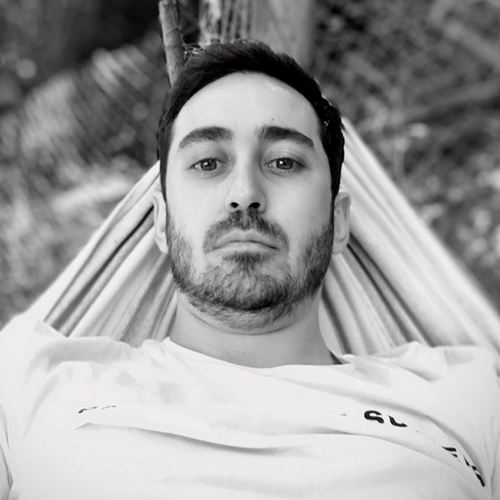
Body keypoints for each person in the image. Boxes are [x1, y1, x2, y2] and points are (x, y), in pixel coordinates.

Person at [0, 40, 499, 499]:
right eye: (208, 163)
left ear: (340, 221)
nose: (244, 194)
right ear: (159, 222)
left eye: (283, 162)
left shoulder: (467, 397)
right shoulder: (33, 380)